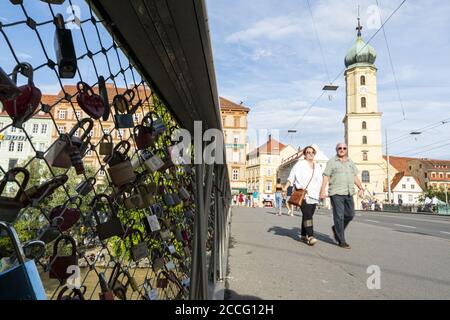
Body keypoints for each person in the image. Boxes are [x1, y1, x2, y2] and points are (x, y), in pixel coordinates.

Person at [320, 143, 365, 249]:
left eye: (344, 148)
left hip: (349, 192)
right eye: (340, 148)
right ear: (336, 149)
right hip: (336, 193)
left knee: (350, 215)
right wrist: (322, 190)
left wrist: (361, 187)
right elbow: (326, 177)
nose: (342, 149)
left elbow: (354, 176)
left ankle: (336, 229)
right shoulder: (331, 162)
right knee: (339, 216)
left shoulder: (350, 162)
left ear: (346, 150)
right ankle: (341, 240)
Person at [284, 146, 323, 246]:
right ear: (304, 154)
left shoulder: (318, 166)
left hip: (314, 195)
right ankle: (310, 236)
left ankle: (302, 234)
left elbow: (320, 180)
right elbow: (291, 176)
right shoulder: (300, 164)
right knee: (308, 215)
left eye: (312, 152)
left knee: (307, 215)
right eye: (308, 152)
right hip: (303, 193)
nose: (310, 154)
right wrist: (285, 187)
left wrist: (322, 192)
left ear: (314, 154)